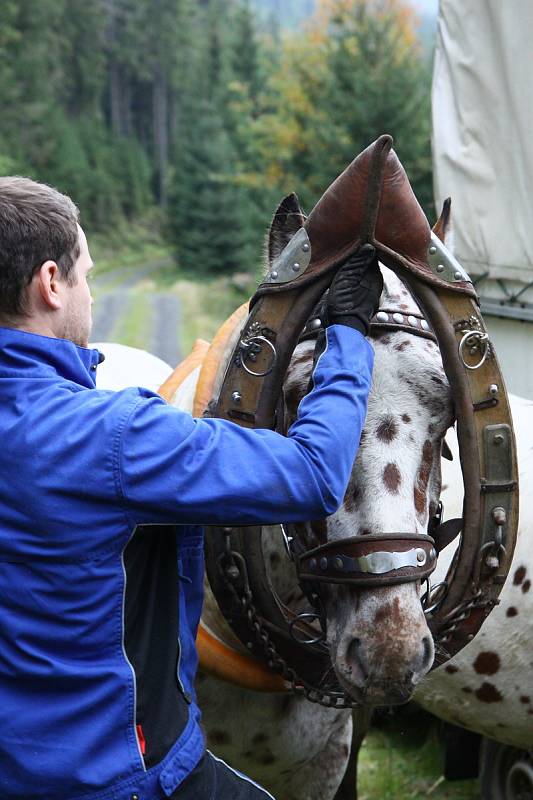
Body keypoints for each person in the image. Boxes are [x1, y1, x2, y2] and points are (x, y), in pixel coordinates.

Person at [0, 176, 382, 800]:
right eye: (86, 277)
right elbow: (311, 474)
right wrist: (348, 334)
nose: (90, 296)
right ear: (49, 283)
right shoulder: (111, 436)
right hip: (116, 776)